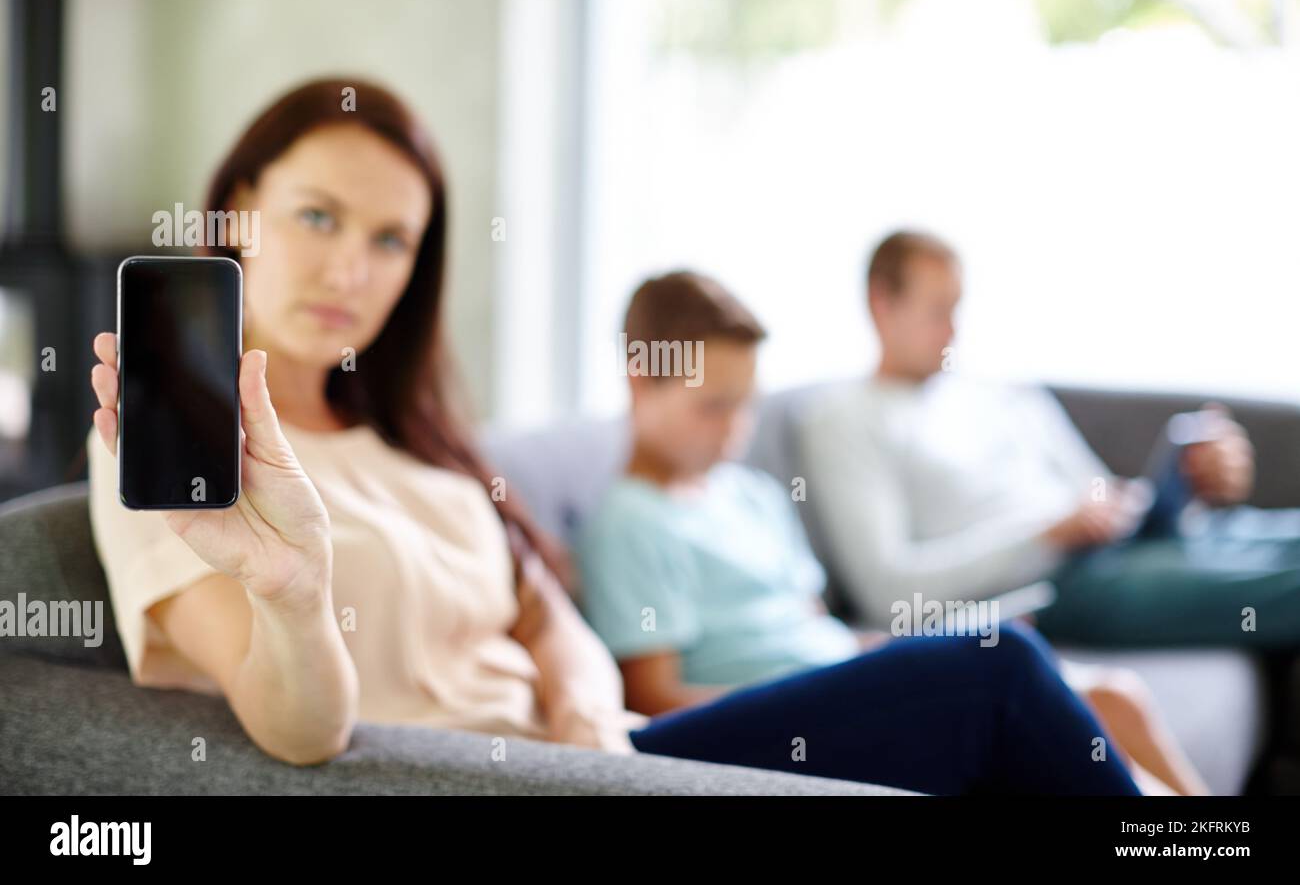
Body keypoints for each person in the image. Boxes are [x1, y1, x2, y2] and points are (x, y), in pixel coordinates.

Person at [86, 79, 1139, 794]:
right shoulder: (177, 451)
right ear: (235, 209)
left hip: (599, 762)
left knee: (1017, 711)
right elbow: (296, 729)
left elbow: (545, 610)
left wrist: (586, 706)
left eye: (391, 238)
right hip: (480, 780)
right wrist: (296, 590)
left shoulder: (412, 436)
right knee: (993, 677)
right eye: (317, 217)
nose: (352, 269)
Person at [577, 270, 1206, 795]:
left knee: (1104, 693)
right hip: (761, 720)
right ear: (640, 378)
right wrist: (828, 690)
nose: (733, 429)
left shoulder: (753, 495)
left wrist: (902, 655)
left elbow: (814, 627)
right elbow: (653, 698)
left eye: (746, 405)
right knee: (1003, 662)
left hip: (830, 683)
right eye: (712, 406)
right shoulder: (631, 520)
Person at [798, 229, 1296, 652]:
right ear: (880, 303)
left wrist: (1177, 484)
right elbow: (888, 593)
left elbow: (1096, 486)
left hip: (1128, 543)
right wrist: (1044, 536)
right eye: (936, 311)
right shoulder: (844, 419)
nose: (953, 330)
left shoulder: (1002, 394)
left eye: (957, 308)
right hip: (1059, 587)